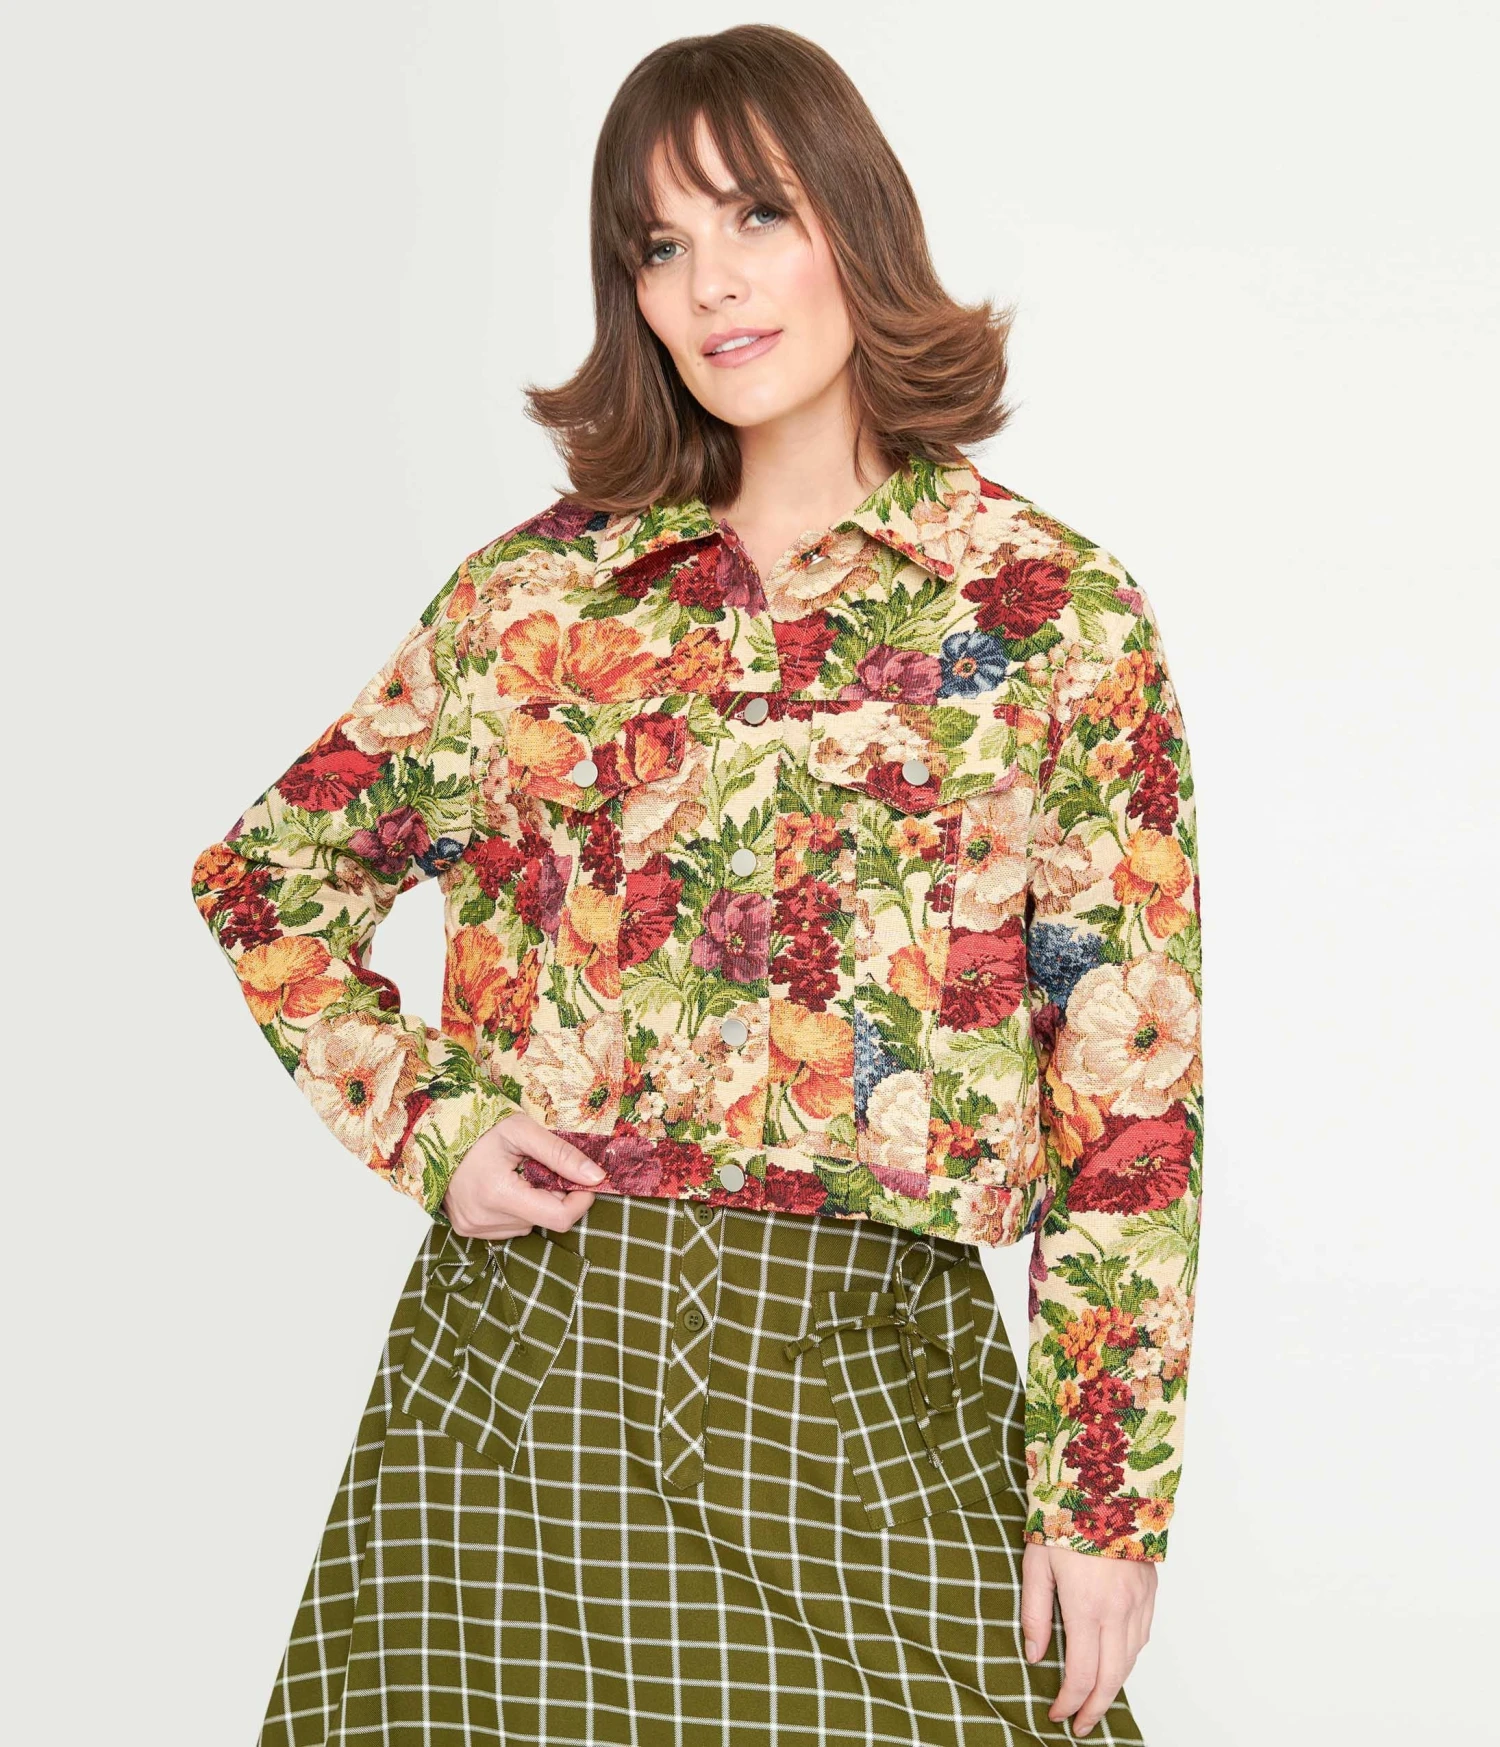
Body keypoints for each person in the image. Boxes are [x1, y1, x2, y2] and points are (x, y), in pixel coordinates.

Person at [190, 23, 1202, 1745]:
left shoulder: (1051, 617)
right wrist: (435, 1127)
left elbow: (1129, 1095)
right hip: (528, 1378)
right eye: (658, 245)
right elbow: (268, 879)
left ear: (854, 223)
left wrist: (1102, 1502)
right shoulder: (536, 602)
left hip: (863, 1380)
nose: (710, 282)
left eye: (756, 215)